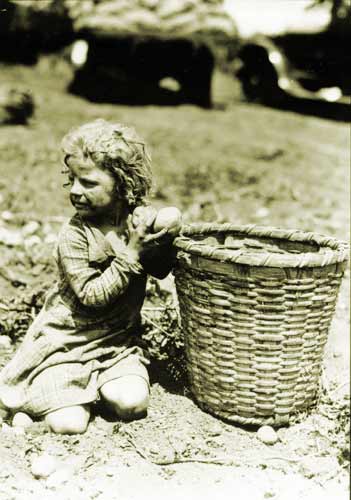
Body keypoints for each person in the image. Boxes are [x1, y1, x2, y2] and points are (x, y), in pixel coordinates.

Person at [0, 119, 181, 434]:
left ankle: (93, 388)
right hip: (67, 343)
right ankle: (59, 390)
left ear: (123, 184)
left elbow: (162, 262)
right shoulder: (74, 235)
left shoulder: (135, 220)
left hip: (116, 344)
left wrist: (164, 233)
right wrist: (131, 253)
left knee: (132, 404)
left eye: (88, 183)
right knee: (69, 424)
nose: (75, 191)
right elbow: (92, 297)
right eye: (72, 180)